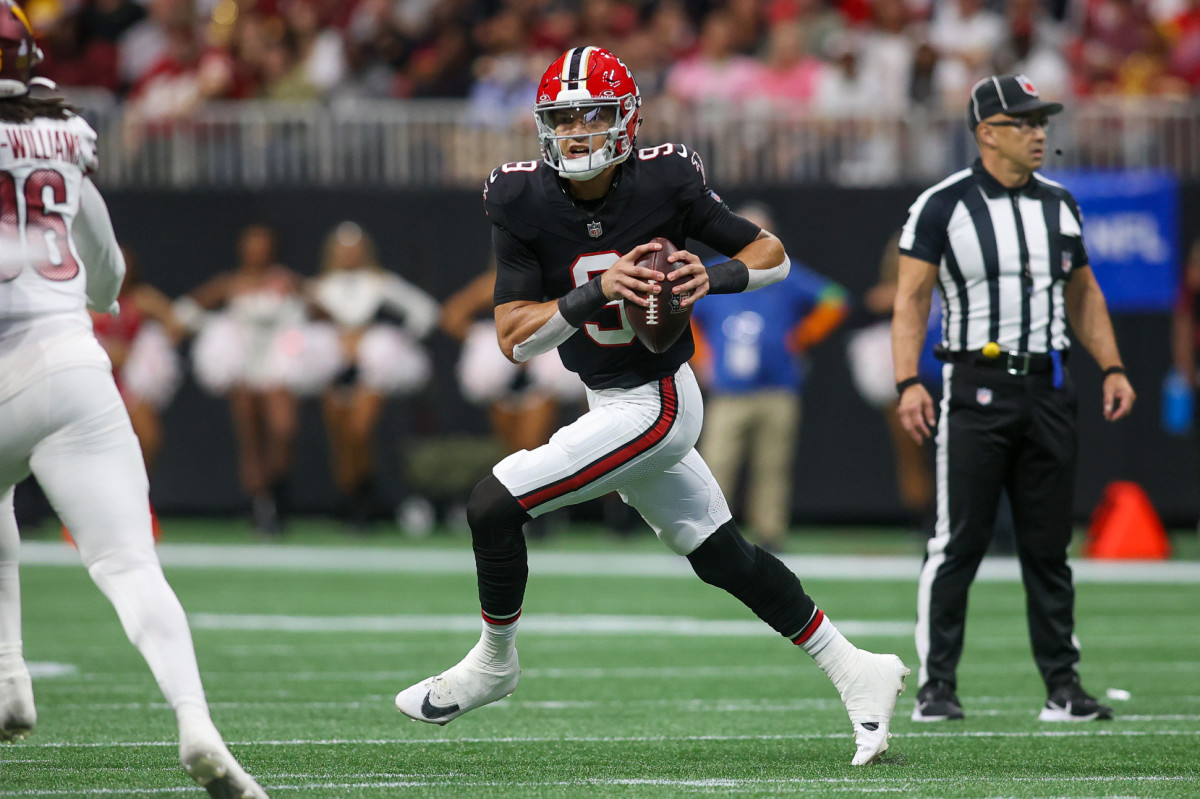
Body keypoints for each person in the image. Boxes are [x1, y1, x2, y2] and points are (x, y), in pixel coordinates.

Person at [394, 45, 909, 766]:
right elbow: (514, 339)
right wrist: (594, 292)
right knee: (721, 552)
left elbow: (774, 256)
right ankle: (858, 667)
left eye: (592, 114)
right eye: (562, 117)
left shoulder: (665, 180)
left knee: (491, 503)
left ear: (626, 119)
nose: (576, 131)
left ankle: (494, 661)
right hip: (607, 395)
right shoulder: (519, 198)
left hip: (660, 400)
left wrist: (716, 274)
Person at [0, 4, 268, 797]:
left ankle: (10, 674)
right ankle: (196, 723)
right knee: (128, 564)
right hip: (74, 367)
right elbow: (109, 269)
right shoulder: (61, 136)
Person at [892, 74, 1137, 724]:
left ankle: (1064, 686)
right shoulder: (942, 203)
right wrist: (907, 381)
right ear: (987, 133)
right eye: (1024, 122)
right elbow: (911, 298)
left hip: (1050, 384)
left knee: (1048, 544)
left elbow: (1083, 292)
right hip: (974, 384)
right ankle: (935, 685)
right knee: (959, 541)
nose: (1039, 133)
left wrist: (1111, 364)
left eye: (1041, 122)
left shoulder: (1060, 203)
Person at [692, 201, 849, 550]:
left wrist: (801, 338)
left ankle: (770, 533)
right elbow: (684, 313)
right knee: (717, 464)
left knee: (772, 466)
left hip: (778, 386)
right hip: (729, 389)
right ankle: (710, 536)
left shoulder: (785, 273)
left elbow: (835, 298)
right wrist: (702, 358)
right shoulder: (713, 272)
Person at [178, 223, 338, 535]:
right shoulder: (230, 283)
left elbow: (325, 313)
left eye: (263, 244)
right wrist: (214, 329)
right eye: (251, 244)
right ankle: (261, 504)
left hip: (281, 366)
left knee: (284, 430)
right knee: (251, 439)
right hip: (244, 366)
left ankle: (277, 485)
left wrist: (302, 297)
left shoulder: (289, 281)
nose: (257, 250)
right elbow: (185, 311)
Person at [309, 221, 439, 530]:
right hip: (333, 365)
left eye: (354, 249)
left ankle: (366, 495)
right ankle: (351, 498)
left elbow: (424, 311)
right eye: (343, 250)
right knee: (340, 437)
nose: (348, 255)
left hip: (370, 367)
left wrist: (393, 340)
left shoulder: (380, 282)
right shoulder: (318, 287)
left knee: (359, 431)